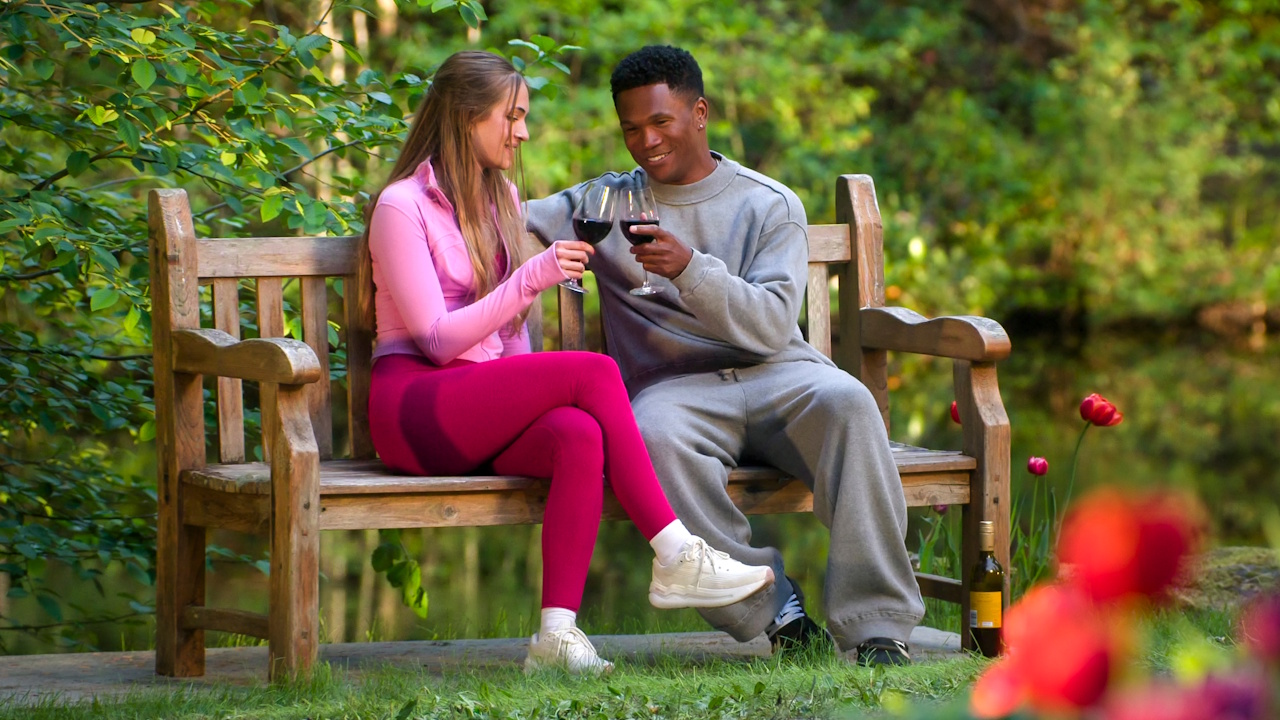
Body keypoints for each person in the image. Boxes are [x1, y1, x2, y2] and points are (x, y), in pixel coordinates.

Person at [359, 50, 775, 676]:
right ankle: (675, 551)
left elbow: (509, 338)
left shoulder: (498, 194)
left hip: (473, 403)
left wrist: (533, 371)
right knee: (592, 370)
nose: (523, 132)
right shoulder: (401, 206)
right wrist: (533, 276)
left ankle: (556, 636)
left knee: (578, 434)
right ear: (469, 116)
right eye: (513, 116)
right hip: (414, 409)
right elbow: (438, 340)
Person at [526, 45, 925, 667]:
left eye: (661, 122)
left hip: (782, 375)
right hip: (676, 391)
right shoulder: (604, 204)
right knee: (649, 434)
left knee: (850, 401)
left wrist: (690, 269)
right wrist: (415, 203)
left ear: (700, 112)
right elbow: (503, 218)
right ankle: (776, 614)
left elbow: (770, 326)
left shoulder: (770, 203)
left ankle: (878, 625)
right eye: (631, 128)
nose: (646, 141)